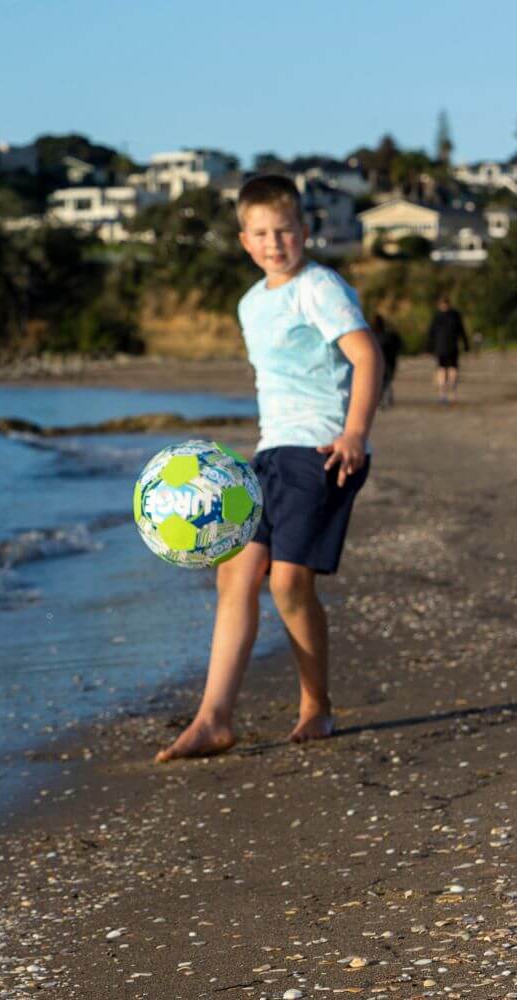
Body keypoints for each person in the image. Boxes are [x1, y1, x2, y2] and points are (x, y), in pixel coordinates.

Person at [155, 174, 383, 763]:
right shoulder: (251, 303)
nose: (274, 242)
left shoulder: (319, 287)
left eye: (284, 230)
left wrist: (355, 433)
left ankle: (316, 704)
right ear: (244, 241)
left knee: (287, 583)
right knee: (234, 573)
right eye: (260, 233)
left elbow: (366, 356)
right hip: (270, 453)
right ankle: (213, 719)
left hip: (322, 451)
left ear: (304, 230)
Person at [426, 295, 469, 403]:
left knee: (441, 369)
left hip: (440, 348)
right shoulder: (455, 315)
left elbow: (431, 333)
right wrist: (466, 345)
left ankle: (442, 393)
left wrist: (428, 348)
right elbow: (462, 331)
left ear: (440, 305)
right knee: (452, 368)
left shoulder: (437, 316)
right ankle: (452, 391)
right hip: (452, 347)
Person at [372, 312, 403, 408]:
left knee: (378, 382)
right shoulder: (390, 335)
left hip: (375, 364)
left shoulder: (370, 336)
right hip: (389, 363)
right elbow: (399, 346)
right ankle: (385, 399)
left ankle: (379, 400)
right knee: (386, 382)